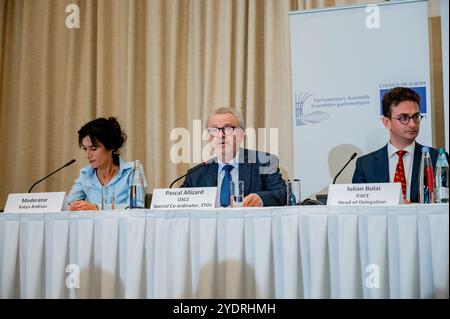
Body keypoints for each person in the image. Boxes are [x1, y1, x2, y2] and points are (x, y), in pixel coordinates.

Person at [352, 87, 448, 203]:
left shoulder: (436, 158)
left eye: (416, 117)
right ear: (387, 123)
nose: (412, 124)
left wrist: (412, 208)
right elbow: (360, 210)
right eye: (404, 118)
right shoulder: (365, 165)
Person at [181, 107, 286, 207]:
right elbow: (179, 202)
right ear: (209, 137)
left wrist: (260, 198)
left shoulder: (264, 162)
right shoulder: (195, 174)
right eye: (214, 130)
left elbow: (284, 194)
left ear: (242, 134)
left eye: (227, 129)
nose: (221, 135)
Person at [67, 117, 134, 210]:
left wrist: (97, 208)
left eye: (94, 148)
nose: (88, 155)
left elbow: (136, 208)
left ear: (111, 146)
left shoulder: (132, 171)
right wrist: (71, 207)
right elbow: (68, 204)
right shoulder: (85, 174)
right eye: (85, 149)